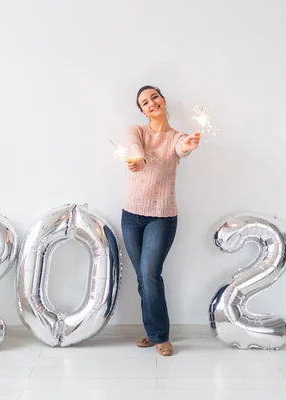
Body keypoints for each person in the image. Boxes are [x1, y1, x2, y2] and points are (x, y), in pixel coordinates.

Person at [120, 85, 201, 356]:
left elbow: (181, 147)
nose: (151, 102)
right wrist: (139, 160)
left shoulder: (177, 137)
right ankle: (153, 331)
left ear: (163, 100)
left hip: (162, 217)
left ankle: (160, 336)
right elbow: (133, 146)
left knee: (151, 274)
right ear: (141, 110)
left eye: (154, 97)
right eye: (145, 102)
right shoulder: (137, 131)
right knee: (143, 278)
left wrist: (188, 146)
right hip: (131, 216)